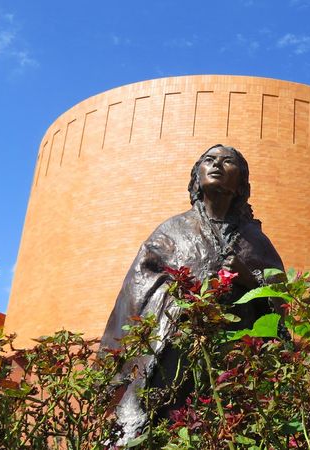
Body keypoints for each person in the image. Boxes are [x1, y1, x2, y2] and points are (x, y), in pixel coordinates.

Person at [100, 144, 284, 441]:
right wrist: (178, 296)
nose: (217, 165)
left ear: (240, 185)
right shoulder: (171, 231)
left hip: (233, 355)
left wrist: (249, 280)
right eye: (209, 160)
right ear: (197, 177)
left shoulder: (255, 240)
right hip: (173, 349)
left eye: (228, 162)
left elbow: (281, 299)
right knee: (151, 429)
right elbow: (137, 285)